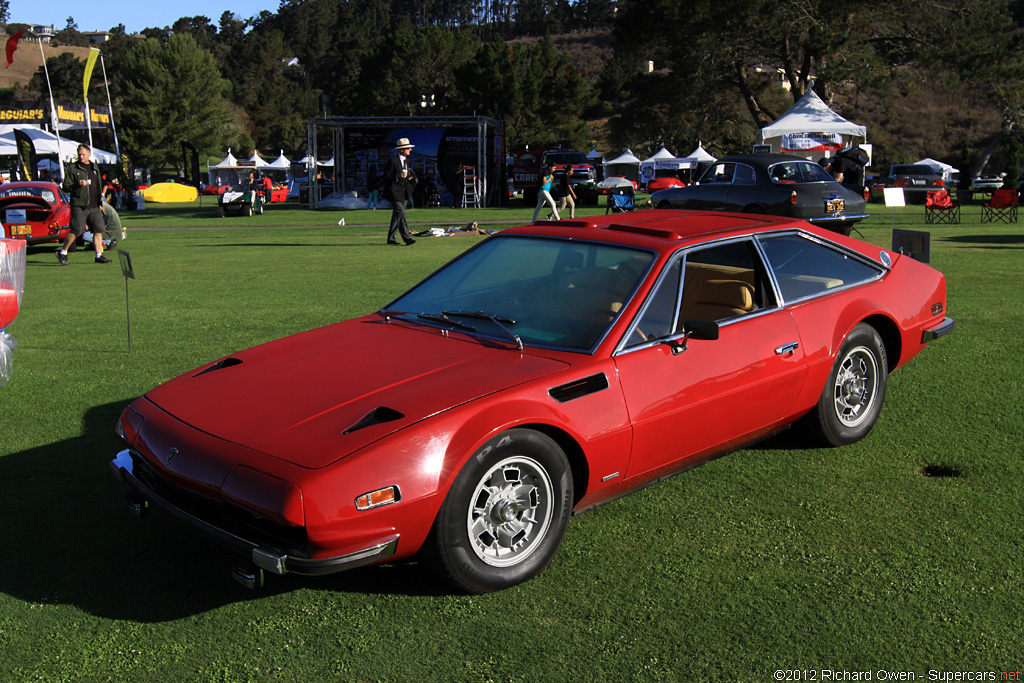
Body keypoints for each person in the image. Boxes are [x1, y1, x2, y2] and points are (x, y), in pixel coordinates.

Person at [56, 144, 110, 265]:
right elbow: (65, 187)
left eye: (83, 154)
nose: (81, 156)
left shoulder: (94, 167)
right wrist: (77, 184)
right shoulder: (73, 168)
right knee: (77, 230)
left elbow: (97, 186)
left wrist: (100, 202)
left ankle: (98, 255)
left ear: (89, 154)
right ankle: (63, 252)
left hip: (94, 205)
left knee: (98, 230)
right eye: (79, 154)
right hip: (79, 205)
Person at [383, 138, 417, 245]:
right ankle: (407, 238)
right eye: (408, 148)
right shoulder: (393, 161)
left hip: (404, 191)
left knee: (397, 215)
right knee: (400, 213)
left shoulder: (408, 161)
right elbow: (386, 176)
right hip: (394, 191)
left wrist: (410, 178)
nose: (410, 150)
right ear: (401, 150)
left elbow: (410, 174)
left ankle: (391, 238)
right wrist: (398, 176)